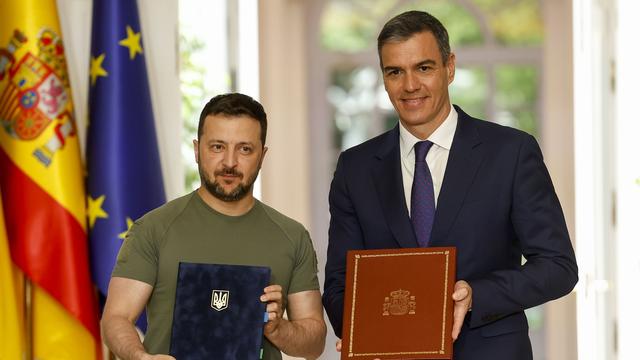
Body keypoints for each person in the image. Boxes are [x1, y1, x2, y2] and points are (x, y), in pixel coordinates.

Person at [322, 10, 578, 360]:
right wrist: (361, 329)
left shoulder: (510, 153)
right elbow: (339, 285)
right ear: (383, 78)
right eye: (395, 71)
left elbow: (557, 266)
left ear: (450, 67)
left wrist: (477, 295)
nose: (410, 85)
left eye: (423, 68)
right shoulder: (356, 168)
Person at [101, 93, 326, 360]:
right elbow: (115, 319)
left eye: (245, 149)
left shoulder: (292, 236)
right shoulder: (153, 229)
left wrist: (279, 328)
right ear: (197, 150)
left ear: (262, 155)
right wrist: (140, 357)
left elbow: (314, 344)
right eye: (218, 147)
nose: (230, 162)